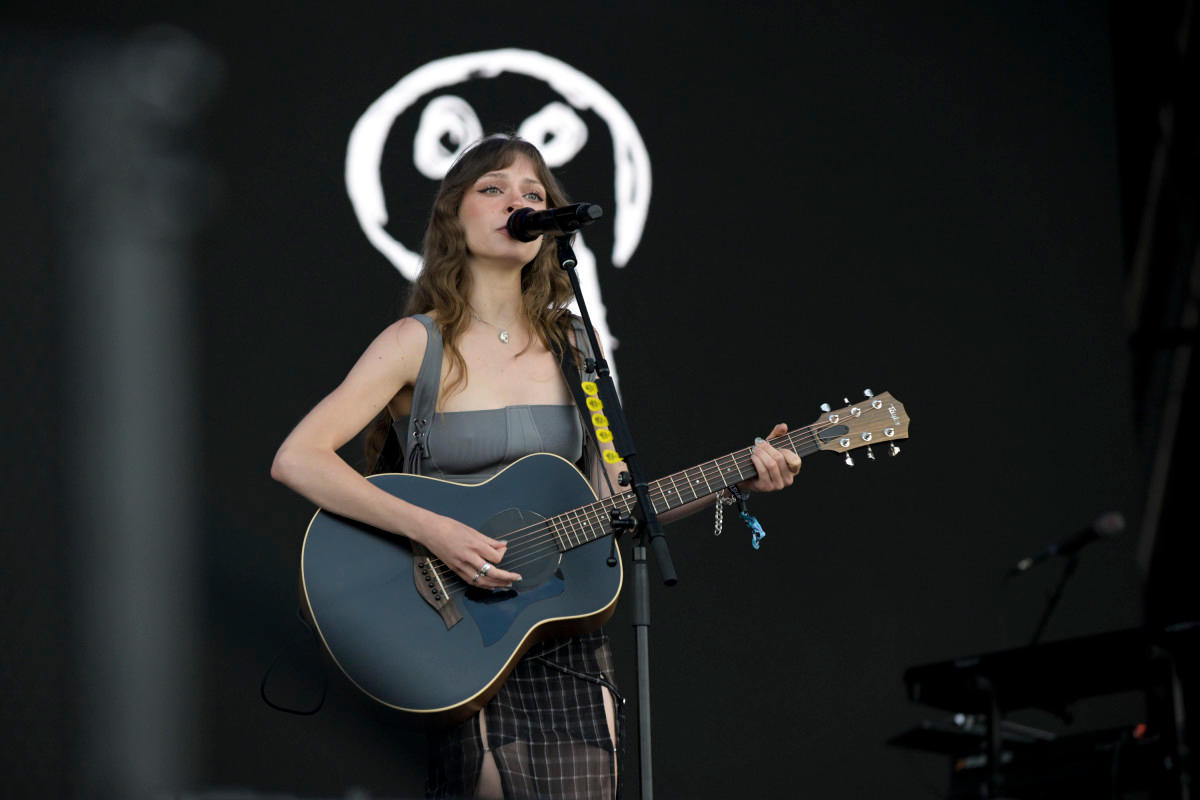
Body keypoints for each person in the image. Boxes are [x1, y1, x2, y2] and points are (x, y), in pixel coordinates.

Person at [270, 134, 803, 799]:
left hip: (562, 629)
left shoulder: (572, 344)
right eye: (493, 189)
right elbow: (298, 458)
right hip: (460, 635)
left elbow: (619, 499)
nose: (517, 202)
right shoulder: (417, 343)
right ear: (453, 217)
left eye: (534, 194)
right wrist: (434, 530)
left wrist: (737, 480)